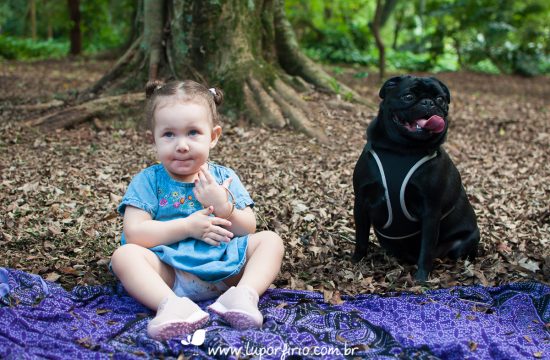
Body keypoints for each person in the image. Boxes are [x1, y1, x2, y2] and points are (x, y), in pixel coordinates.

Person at [110, 80, 285, 341]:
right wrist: (187, 227)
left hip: (225, 269)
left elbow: (248, 228)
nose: (182, 145)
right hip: (169, 273)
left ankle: (243, 295)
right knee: (125, 256)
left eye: (193, 132)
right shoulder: (149, 181)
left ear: (213, 136)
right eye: (169, 134)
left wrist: (226, 209)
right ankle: (170, 306)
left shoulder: (222, 177)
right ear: (153, 139)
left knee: (271, 241)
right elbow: (134, 233)